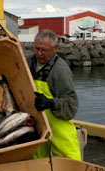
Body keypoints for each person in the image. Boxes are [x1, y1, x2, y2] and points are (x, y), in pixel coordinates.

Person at [27, 29, 81, 160]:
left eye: (43, 50)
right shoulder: (27, 63)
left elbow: (71, 105)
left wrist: (51, 103)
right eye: (36, 49)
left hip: (59, 129)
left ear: (55, 48)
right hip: (36, 127)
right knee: (36, 162)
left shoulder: (60, 71)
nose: (39, 54)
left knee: (70, 163)